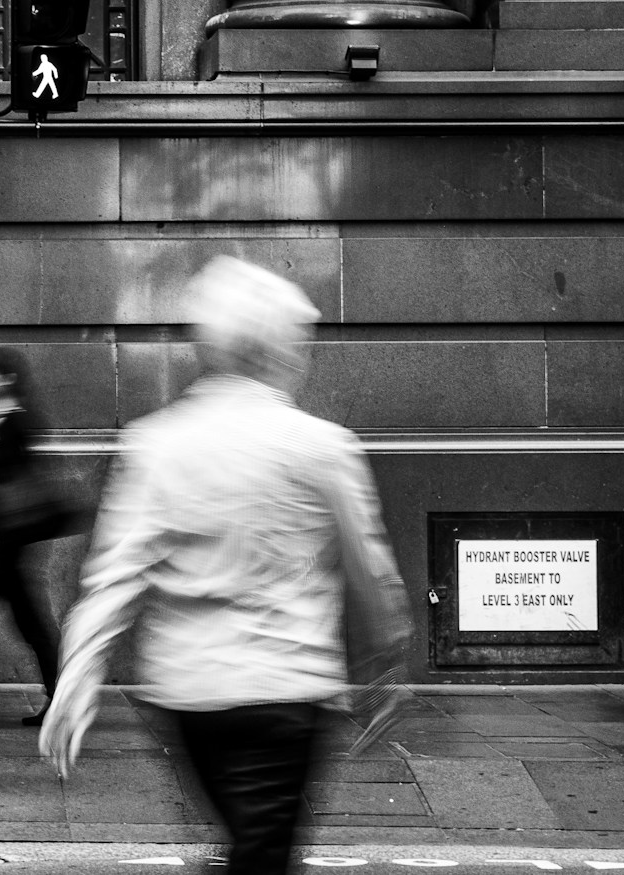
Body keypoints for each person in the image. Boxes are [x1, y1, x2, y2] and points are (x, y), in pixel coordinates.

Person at [39, 257, 410, 875]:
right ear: (280, 350)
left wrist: (80, 673)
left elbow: (116, 574)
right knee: (262, 850)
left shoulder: (159, 443)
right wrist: (384, 662)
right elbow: (369, 571)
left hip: (190, 694)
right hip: (287, 687)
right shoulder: (321, 447)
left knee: (252, 842)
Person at [0, 349, 66, 726]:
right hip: (4, 538)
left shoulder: (14, 420)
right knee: (29, 623)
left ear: (5, 379)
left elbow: (9, 462)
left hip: (7, 538)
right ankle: (59, 699)